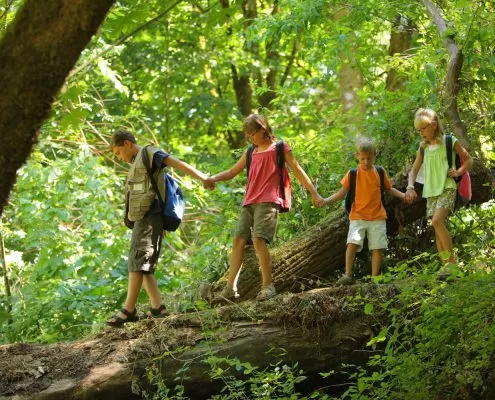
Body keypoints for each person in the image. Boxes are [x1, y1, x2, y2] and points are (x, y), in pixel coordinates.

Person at [205, 113, 324, 301]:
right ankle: (230, 288)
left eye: (252, 134)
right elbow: (231, 172)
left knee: (259, 239)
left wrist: (314, 192)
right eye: (247, 136)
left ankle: (268, 286)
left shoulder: (279, 147)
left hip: (269, 200)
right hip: (249, 201)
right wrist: (213, 178)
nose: (250, 138)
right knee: (238, 240)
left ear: (263, 129)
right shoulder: (251, 152)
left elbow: (297, 169)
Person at [107, 130, 210, 327]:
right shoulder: (136, 161)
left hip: (150, 216)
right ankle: (158, 308)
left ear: (127, 144)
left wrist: (203, 178)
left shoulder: (149, 154)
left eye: (119, 153)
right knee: (142, 264)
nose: (119, 158)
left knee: (138, 261)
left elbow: (177, 163)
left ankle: (128, 309)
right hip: (142, 218)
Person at [322, 137, 405, 284]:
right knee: (352, 244)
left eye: (369, 158)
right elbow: (341, 194)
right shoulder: (353, 174)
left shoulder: (379, 172)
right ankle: (348, 275)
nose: (366, 162)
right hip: (358, 216)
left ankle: (375, 279)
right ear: (357, 157)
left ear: (374, 155)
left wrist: (404, 195)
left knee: (377, 247)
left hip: (377, 216)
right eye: (363, 159)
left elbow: (389, 189)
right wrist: (325, 201)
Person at [405, 108, 472, 279]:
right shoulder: (423, 148)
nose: (421, 133)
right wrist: (410, 186)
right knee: (436, 226)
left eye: (423, 128)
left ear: (434, 125)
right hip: (431, 191)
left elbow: (469, 160)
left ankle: (452, 265)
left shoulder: (449, 141)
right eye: (418, 130)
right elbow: (413, 171)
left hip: (447, 187)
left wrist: (458, 172)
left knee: (437, 221)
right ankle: (445, 269)